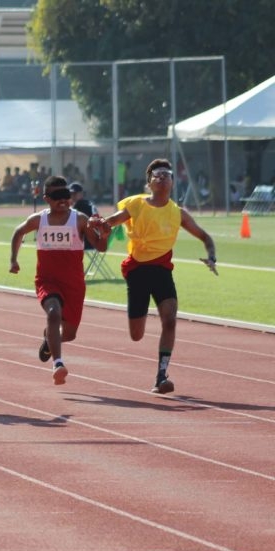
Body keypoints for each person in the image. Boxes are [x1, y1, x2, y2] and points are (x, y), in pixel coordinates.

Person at [90, 158, 217, 394]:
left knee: (170, 319)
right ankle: (142, 325)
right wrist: (101, 225)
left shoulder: (178, 213)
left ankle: (161, 376)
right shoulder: (137, 204)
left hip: (161, 271)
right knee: (136, 335)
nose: (161, 177)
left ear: (172, 182)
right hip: (137, 271)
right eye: (156, 175)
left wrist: (212, 256)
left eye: (166, 174)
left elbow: (205, 237)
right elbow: (113, 221)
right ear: (149, 182)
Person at [9, 176, 109, 384]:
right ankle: (58, 364)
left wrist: (105, 235)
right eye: (57, 196)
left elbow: (100, 246)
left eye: (66, 195)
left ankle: (49, 340)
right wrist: (13, 260)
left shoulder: (80, 219)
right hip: (47, 280)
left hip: (73, 284)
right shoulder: (39, 219)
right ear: (46, 198)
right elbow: (18, 232)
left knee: (70, 334)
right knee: (54, 313)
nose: (63, 200)